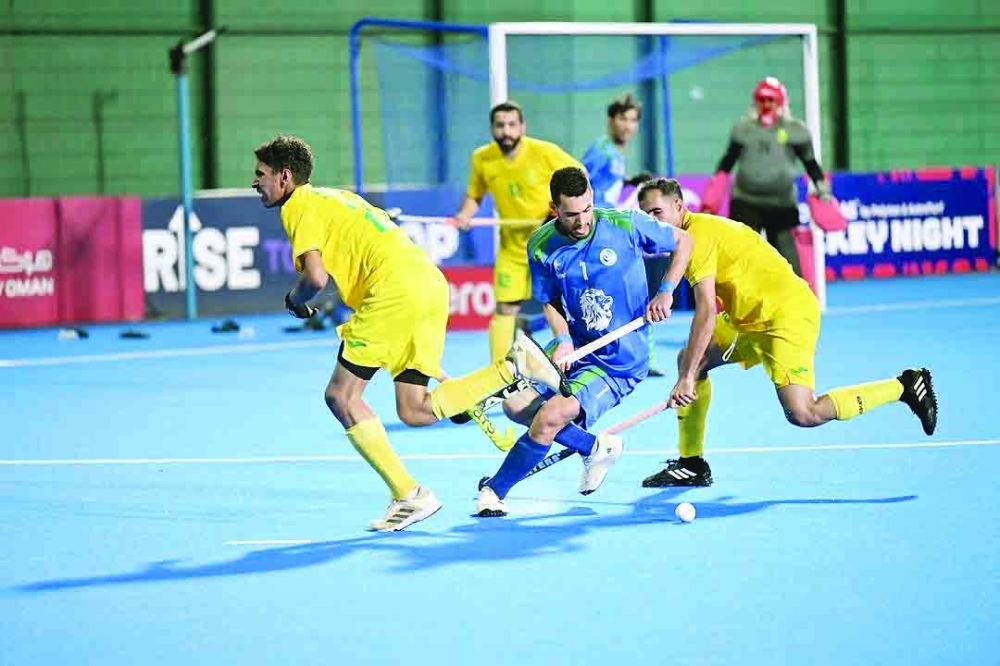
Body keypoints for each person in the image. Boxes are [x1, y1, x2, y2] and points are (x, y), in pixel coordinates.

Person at [253, 135, 567, 532]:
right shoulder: (338, 197)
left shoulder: (298, 205)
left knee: (341, 396)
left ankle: (409, 495)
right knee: (414, 410)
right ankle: (510, 370)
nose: (255, 181)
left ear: (285, 176)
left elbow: (314, 277)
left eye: (261, 174)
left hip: (394, 293)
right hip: (428, 284)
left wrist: (296, 300)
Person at [636, 177, 938, 487]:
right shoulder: (687, 235)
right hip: (749, 318)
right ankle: (692, 463)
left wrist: (685, 381)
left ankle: (904, 385)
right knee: (691, 359)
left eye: (657, 213)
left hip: (786, 316)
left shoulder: (696, 238)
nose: (651, 223)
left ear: (679, 207)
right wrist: (688, 373)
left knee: (804, 413)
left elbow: (707, 311)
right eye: (645, 216)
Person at [475, 166, 693, 517]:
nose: (582, 222)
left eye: (587, 210)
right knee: (514, 405)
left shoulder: (625, 224)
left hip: (619, 360)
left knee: (549, 419)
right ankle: (594, 447)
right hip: (575, 348)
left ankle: (494, 491)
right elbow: (549, 301)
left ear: (592, 199)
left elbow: (684, 241)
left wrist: (666, 291)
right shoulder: (542, 245)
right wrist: (562, 340)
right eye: (572, 215)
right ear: (554, 209)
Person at [453, 101, 583, 364]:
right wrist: (465, 214)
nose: (506, 131)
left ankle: (573, 357)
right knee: (504, 310)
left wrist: (558, 212)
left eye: (512, 125)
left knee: (559, 303)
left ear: (522, 126)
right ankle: (498, 374)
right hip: (512, 248)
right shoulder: (482, 158)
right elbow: (474, 195)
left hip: (549, 243)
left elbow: (579, 176)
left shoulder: (544, 152)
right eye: (500, 125)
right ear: (492, 128)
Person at [702, 77, 831, 277]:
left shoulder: (796, 131)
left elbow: (810, 163)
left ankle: (794, 304)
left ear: (780, 101)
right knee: (742, 255)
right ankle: (741, 304)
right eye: (762, 100)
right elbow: (727, 161)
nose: (766, 105)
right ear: (756, 101)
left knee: (788, 260)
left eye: (771, 100)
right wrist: (713, 193)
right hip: (746, 201)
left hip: (782, 203)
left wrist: (822, 189)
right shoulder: (742, 129)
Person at [580, 93, 666, 377]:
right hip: (598, 232)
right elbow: (581, 181)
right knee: (620, 291)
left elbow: (603, 185)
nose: (628, 126)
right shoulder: (602, 150)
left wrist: (630, 182)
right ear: (611, 120)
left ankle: (642, 356)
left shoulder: (615, 154)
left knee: (616, 292)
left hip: (608, 230)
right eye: (623, 119)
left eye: (633, 120)